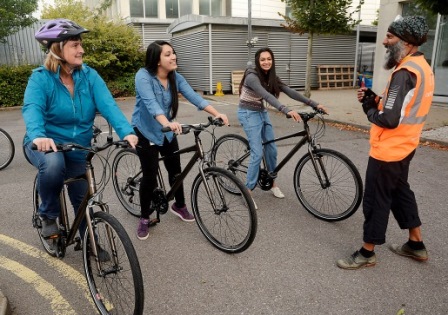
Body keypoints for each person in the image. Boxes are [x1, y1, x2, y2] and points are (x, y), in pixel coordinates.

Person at [22, 19, 138, 245]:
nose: (81, 49)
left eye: (81, 44)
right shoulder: (40, 78)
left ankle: (89, 244)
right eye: (75, 45)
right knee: (54, 165)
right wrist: (38, 135)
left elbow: (108, 105)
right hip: (45, 144)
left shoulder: (89, 76)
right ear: (57, 48)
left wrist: (127, 132)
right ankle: (47, 214)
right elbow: (32, 108)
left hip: (77, 146)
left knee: (83, 196)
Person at [337, 16, 434, 270]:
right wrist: (375, 97)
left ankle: (367, 252)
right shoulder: (422, 66)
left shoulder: (404, 73)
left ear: (408, 42)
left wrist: (369, 109)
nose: (384, 41)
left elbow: (389, 119)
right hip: (406, 146)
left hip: (388, 150)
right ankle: (416, 244)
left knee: (376, 200)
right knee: (400, 193)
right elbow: (402, 107)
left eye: (390, 37)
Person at [131, 40, 229, 241]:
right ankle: (144, 217)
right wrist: (167, 122)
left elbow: (195, 97)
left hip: (167, 130)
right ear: (157, 60)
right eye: (167, 54)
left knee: (175, 170)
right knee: (149, 176)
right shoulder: (143, 76)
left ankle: (179, 205)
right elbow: (151, 104)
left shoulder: (175, 77)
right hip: (146, 130)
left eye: (173, 53)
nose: (173, 57)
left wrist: (217, 113)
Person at [237, 47, 326, 207]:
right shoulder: (251, 76)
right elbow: (266, 95)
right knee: (257, 153)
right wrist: (285, 109)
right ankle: (247, 191)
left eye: (269, 59)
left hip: (260, 112)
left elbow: (289, 91)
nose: (266, 62)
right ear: (258, 61)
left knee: (271, 149)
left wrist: (314, 104)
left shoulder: (270, 76)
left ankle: (272, 184)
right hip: (247, 113)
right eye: (263, 59)